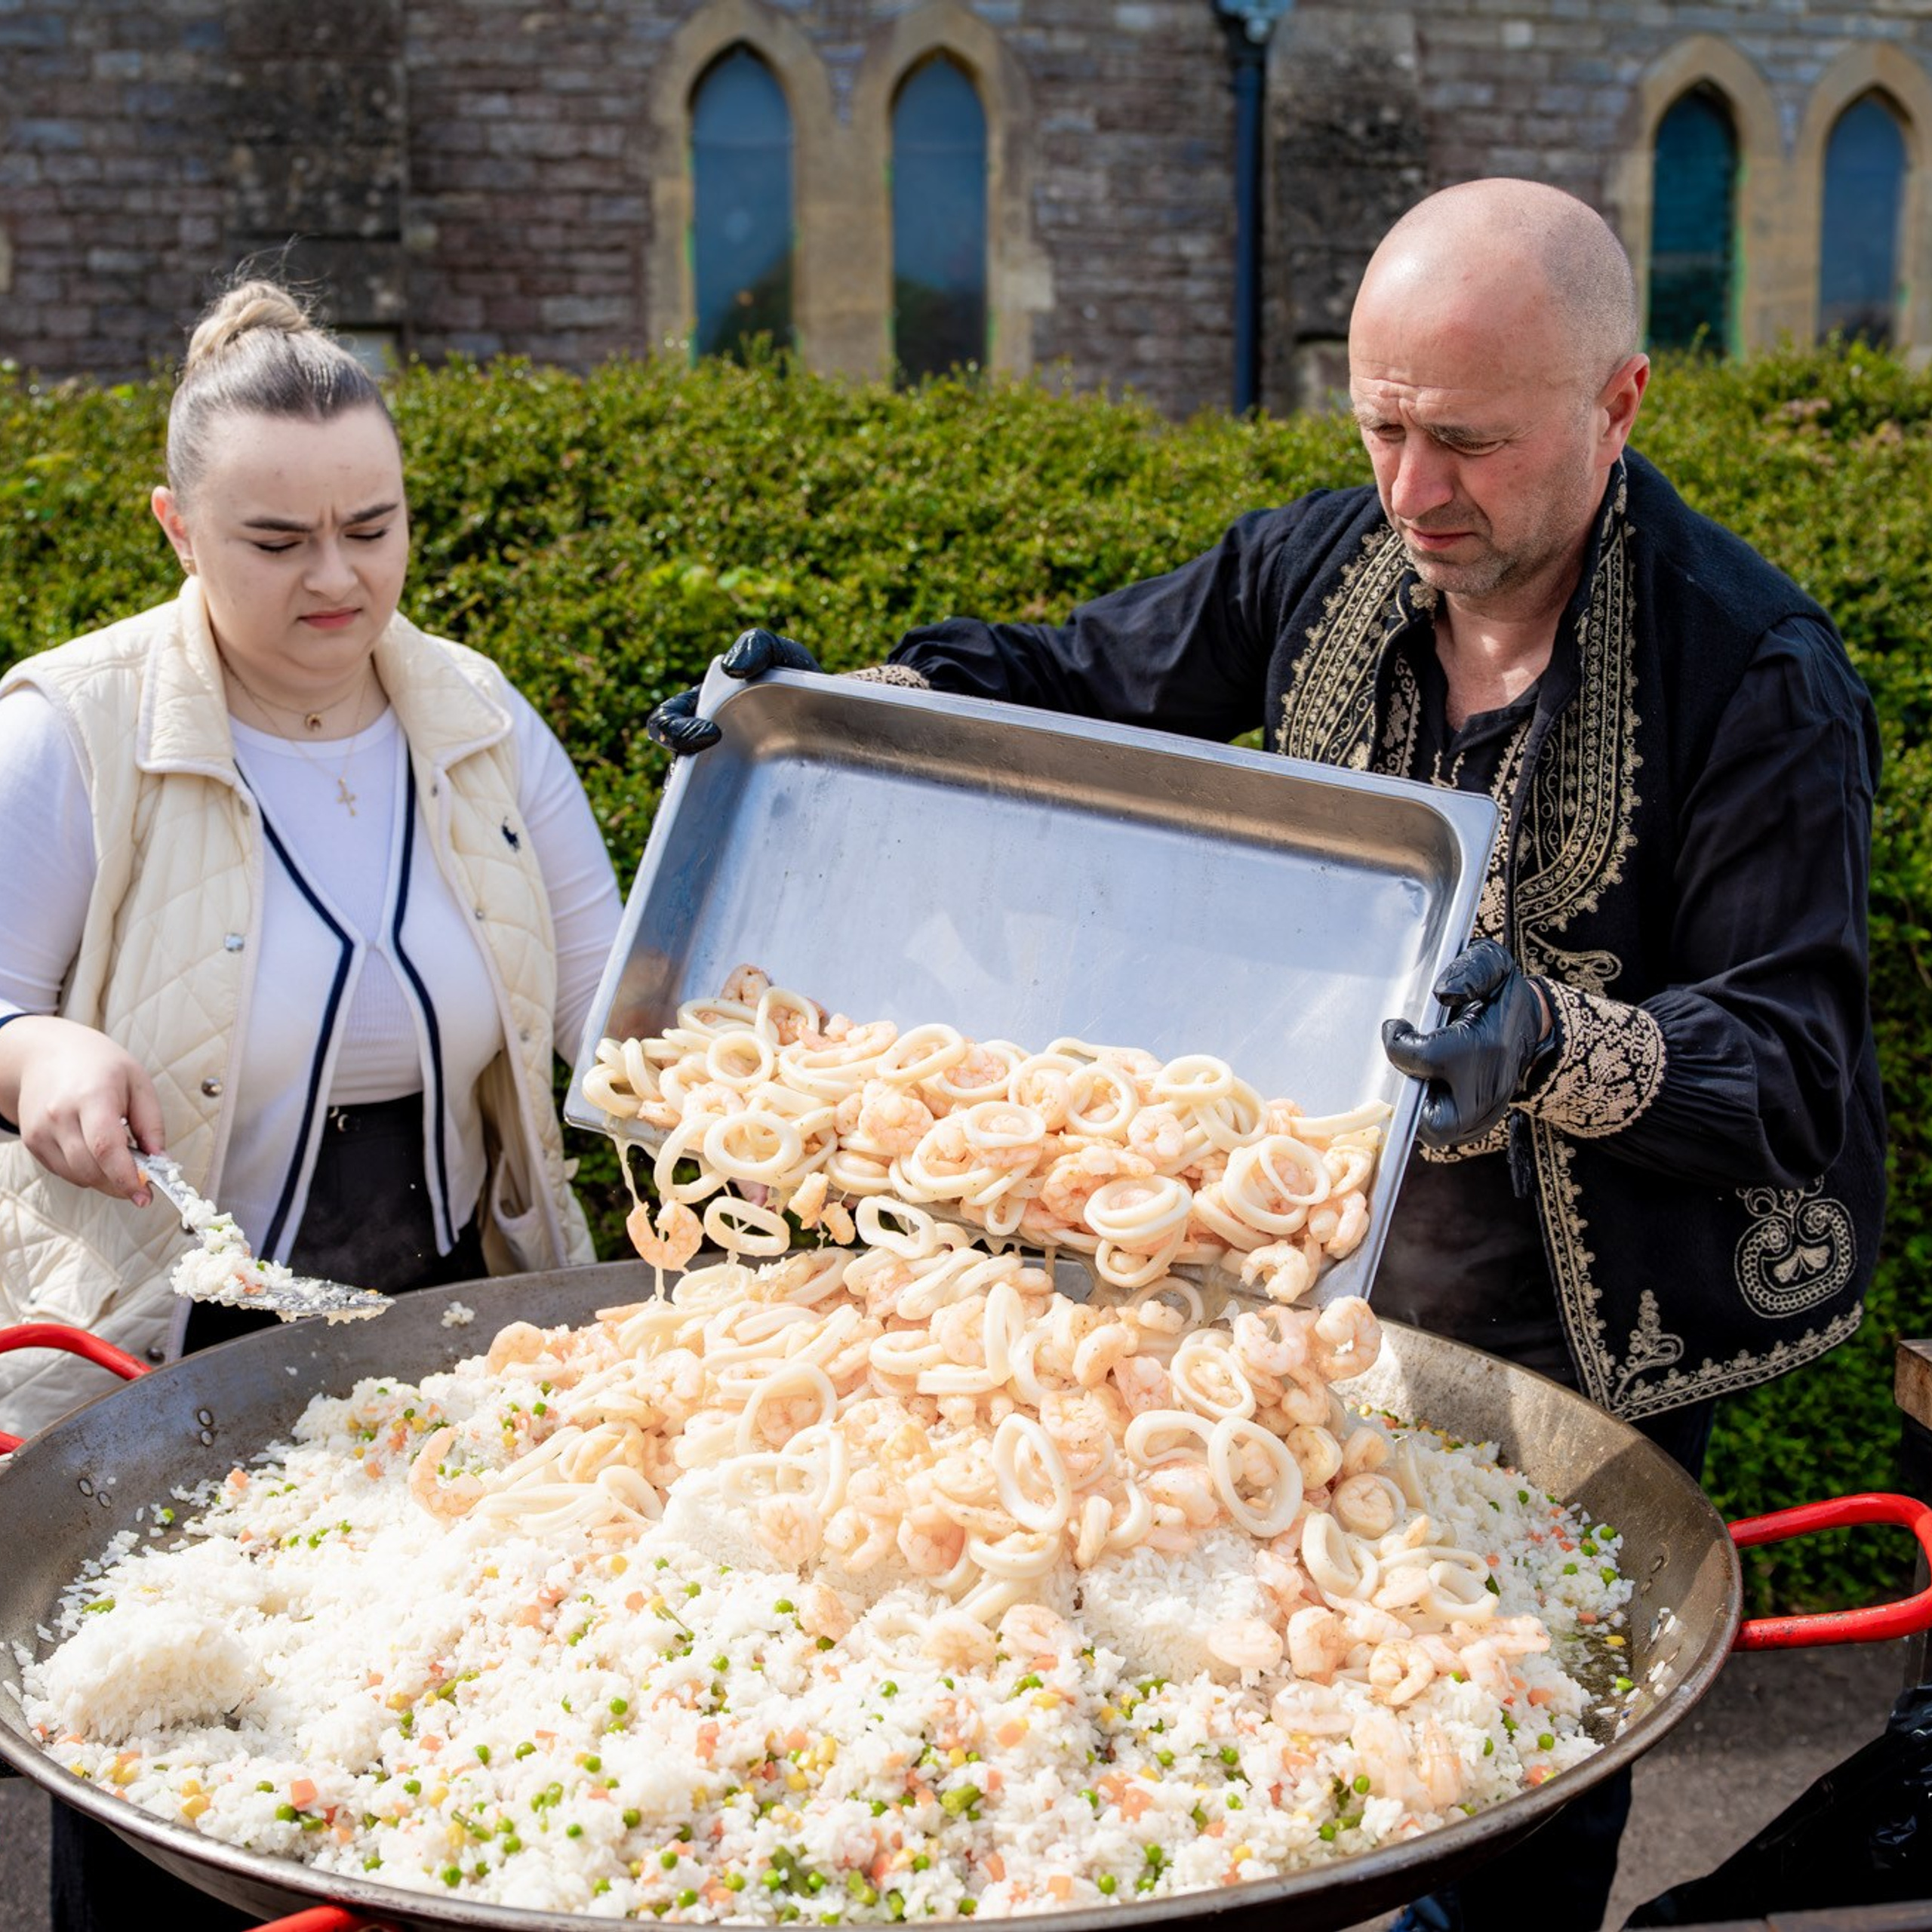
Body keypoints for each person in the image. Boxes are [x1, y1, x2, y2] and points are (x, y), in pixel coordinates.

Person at [648, 179, 1886, 1927]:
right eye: (1380, 425)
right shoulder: (1322, 564)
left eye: (1466, 441)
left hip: (1579, 1337)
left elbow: (1789, 1060)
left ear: (1615, 405)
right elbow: (1075, 679)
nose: (1411, 490)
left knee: (1512, 1760)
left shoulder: (1754, 672)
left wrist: (1548, 1037)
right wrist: (834, 712)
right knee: (1275, 1755)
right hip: (1308, 1311)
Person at [0, 279, 623, 1930]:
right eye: (276, 541)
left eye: (373, 527)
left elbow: (617, 1004)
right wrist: (39, 1054)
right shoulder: (74, 727)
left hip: (443, 1338)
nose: (337, 578)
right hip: (163, 1358)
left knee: (426, 1762)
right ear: (175, 525)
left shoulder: (480, 718)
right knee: (166, 1769)